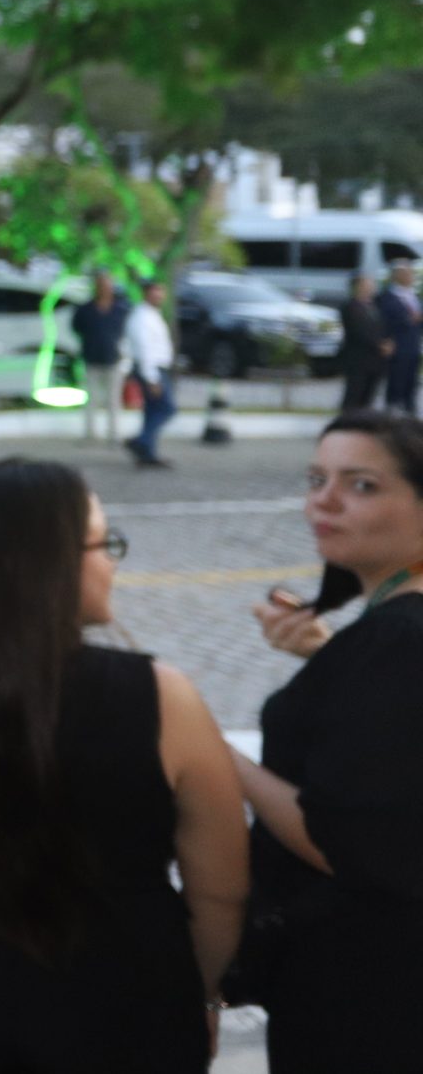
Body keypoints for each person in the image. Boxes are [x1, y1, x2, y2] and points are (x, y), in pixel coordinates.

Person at [0, 459, 246, 1071]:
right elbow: (220, 890)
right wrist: (203, 991)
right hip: (120, 998)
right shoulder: (159, 697)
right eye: (103, 544)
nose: (112, 562)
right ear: (51, 564)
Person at [230, 410, 423, 1073]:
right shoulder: (390, 634)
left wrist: (209, 750)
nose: (325, 501)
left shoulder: (400, 638)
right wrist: (334, 656)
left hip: (370, 988)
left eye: (362, 485)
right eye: (317, 479)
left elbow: (342, 839)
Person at [70, 272, 131, 443]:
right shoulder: (86, 309)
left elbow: (124, 331)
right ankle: (90, 433)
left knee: (113, 400)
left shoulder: (120, 309)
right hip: (91, 358)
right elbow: (77, 327)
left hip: (113, 358)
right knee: (91, 399)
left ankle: (114, 433)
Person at [125, 279, 178, 468]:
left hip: (156, 368)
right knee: (166, 408)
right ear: (146, 293)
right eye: (155, 291)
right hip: (152, 369)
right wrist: (151, 378)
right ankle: (142, 441)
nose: (160, 295)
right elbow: (144, 349)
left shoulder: (152, 314)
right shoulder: (142, 317)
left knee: (152, 411)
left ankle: (147, 452)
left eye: (161, 291)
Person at [378, 260, 421, 413]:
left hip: (413, 345)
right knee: (396, 379)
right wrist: (408, 320)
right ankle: (393, 409)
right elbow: (384, 321)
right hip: (396, 345)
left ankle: (410, 409)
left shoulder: (413, 295)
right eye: (407, 274)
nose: (411, 277)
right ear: (397, 275)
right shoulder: (387, 297)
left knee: (411, 380)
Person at [338, 274, 385, 412]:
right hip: (358, 358)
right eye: (367, 285)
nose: (371, 288)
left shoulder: (374, 306)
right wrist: (378, 343)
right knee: (354, 392)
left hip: (374, 358)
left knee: (368, 395)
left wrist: (386, 342)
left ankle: (363, 419)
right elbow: (358, 330)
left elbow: (381, 328)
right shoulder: (350, 307)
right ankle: (348, 419)